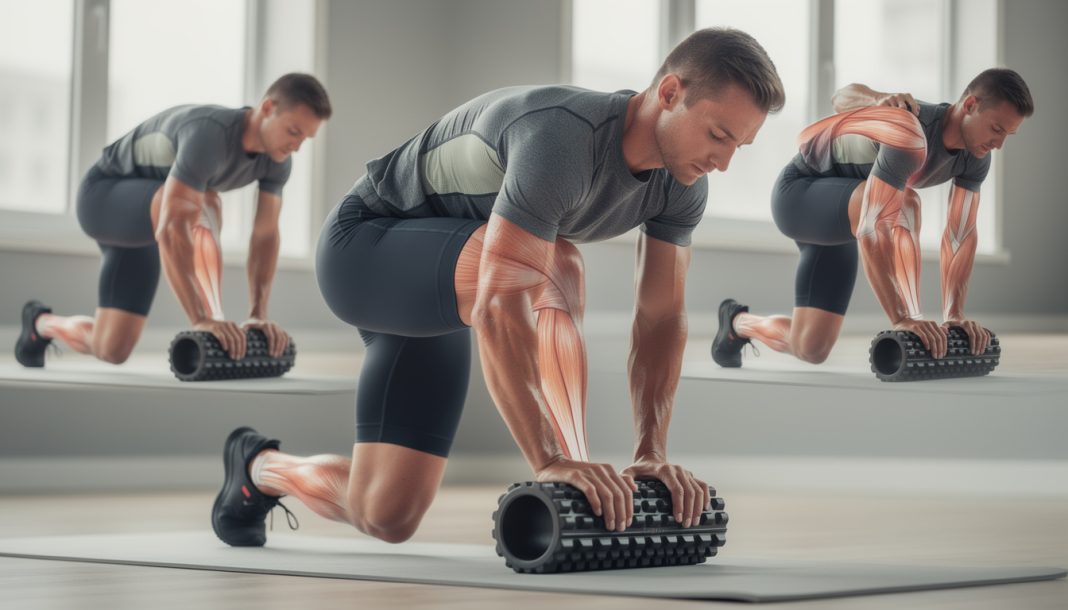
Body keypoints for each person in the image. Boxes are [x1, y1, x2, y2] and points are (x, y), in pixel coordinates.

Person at [211, 28, 785, 548]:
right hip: (364, 251)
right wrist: (556, 463)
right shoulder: (563, 139)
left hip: (445, 280)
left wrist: (650, 453)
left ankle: (259, 468)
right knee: (558, 265)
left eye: (738, 146)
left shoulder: (682, 184)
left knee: (384, 514)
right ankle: (573, 458)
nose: (723, 162)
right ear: (669, 92)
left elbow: (660, 319)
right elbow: (500, 301)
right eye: (717, 134)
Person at [711, 68, 1033, 368]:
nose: (999, 144)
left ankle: (737, 324)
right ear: (971, 105)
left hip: (845, 211)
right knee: (906, 202)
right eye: (996, 129)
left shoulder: (976, 156)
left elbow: (959, 235)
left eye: (1009, 135)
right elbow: (841, 99)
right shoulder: (911, 128)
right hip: (799, 196)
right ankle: (910, 312)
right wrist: (904, 318)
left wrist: (955, 315)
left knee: (811, 348)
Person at [15, 73, 331, 368]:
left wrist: (258, 314)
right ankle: (213, 314)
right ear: (267, 108)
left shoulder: (277, 161)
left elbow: (264, 235)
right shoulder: (210, 134)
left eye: (306, 138)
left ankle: (40, 324)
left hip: (148, 218)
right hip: (102, 200)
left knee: (111, 349)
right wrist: (204, 319)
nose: (296, 146)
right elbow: (172, 227)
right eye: (293, 131)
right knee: (205, 200)